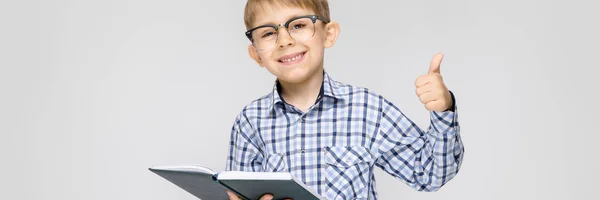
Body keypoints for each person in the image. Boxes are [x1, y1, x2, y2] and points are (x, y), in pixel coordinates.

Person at [225, 0, 464, 199]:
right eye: (268, 32)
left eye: (298, 25)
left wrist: (444, 110)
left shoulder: (368, 109)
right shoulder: (250, 122)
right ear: (256, 53)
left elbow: (430, 173)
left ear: (328, 34)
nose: (284, 40)